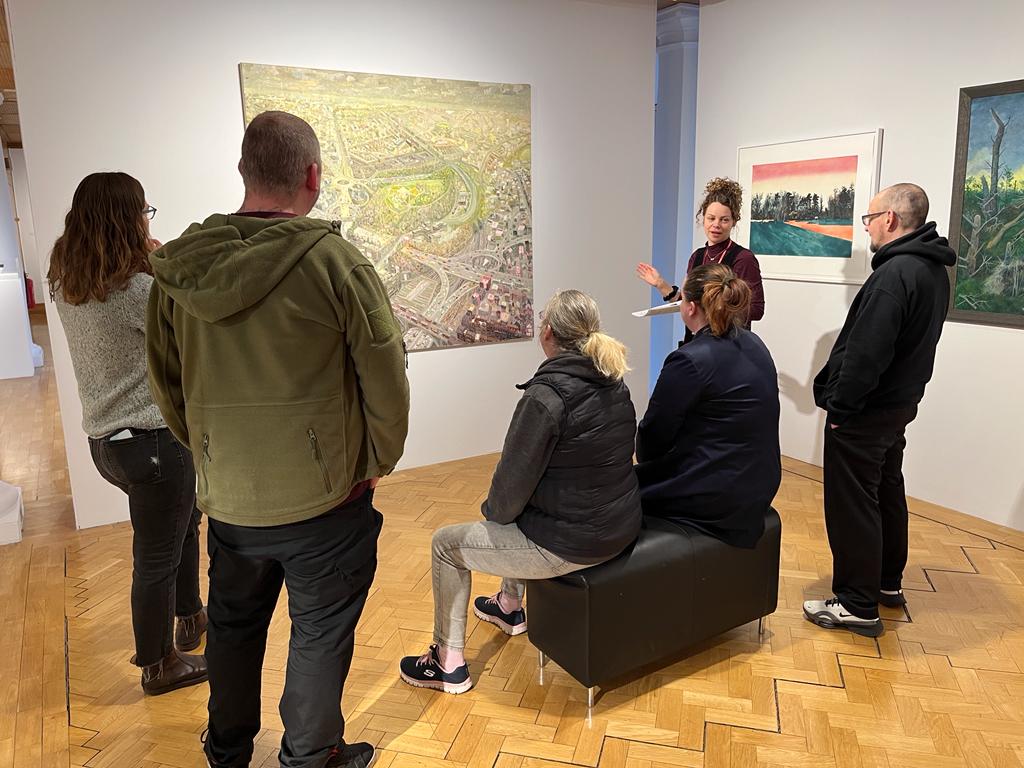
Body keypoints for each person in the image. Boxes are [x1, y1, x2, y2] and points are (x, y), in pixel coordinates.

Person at [147, 111, 409, 768]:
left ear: (245, 172)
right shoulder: (337, 264)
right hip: (327, 502)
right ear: (312, 176)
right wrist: (376, 461)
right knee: (319, 636)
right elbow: (385, 376)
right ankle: (309, 756)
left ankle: (228, 750)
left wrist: (209, 453)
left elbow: (167, 386)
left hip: (230, 499)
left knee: (232, 631)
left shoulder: (180, 271)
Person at [398, 290, 642, 694]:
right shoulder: (614, 381)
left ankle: (448, 662)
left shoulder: (546, 396)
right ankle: (509, 606)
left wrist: (492, 511)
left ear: (548, 333)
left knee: (447, 543)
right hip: (619, 525)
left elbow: (508, 492)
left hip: (571, 544)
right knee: (525, 509)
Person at [48, 172, 207, 696]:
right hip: (155, 441)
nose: (147, 220)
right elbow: (189, 335)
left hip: (107, 445)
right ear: (129, 219)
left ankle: (190, 616)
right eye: (144, 212)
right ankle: (159, 664)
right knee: (158, 553)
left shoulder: (66, 285)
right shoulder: (137, 289)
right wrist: (163, 266)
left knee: (181, 528)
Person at [803, 183, 955, 638]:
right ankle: (887, 583)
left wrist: (841, 408)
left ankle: (856, 603)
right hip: (897, 407)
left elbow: (867, 353)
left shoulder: (895, 275)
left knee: (854, 503)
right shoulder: (932, 271)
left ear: (890, 219)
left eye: (869, 218)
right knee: (886, 492)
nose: (866, 226)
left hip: (866, 412)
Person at [636, 264, 781, 548]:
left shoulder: (688, 360)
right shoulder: (755, 343)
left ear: (689, 307)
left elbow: (650, 445)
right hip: (760, 483)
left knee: (615, 493)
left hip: (717, 494)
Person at [637, 177, 765, 341]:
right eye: (711, 218)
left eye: (724, 220)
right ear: (702, 218)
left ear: (733, 222)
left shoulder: (743, 259)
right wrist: (661, 284)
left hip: (727, 345)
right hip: (695, 342)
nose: (716, 225)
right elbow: (688, 301)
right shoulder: (697, 256)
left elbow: (756, 309)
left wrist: (714, 306)